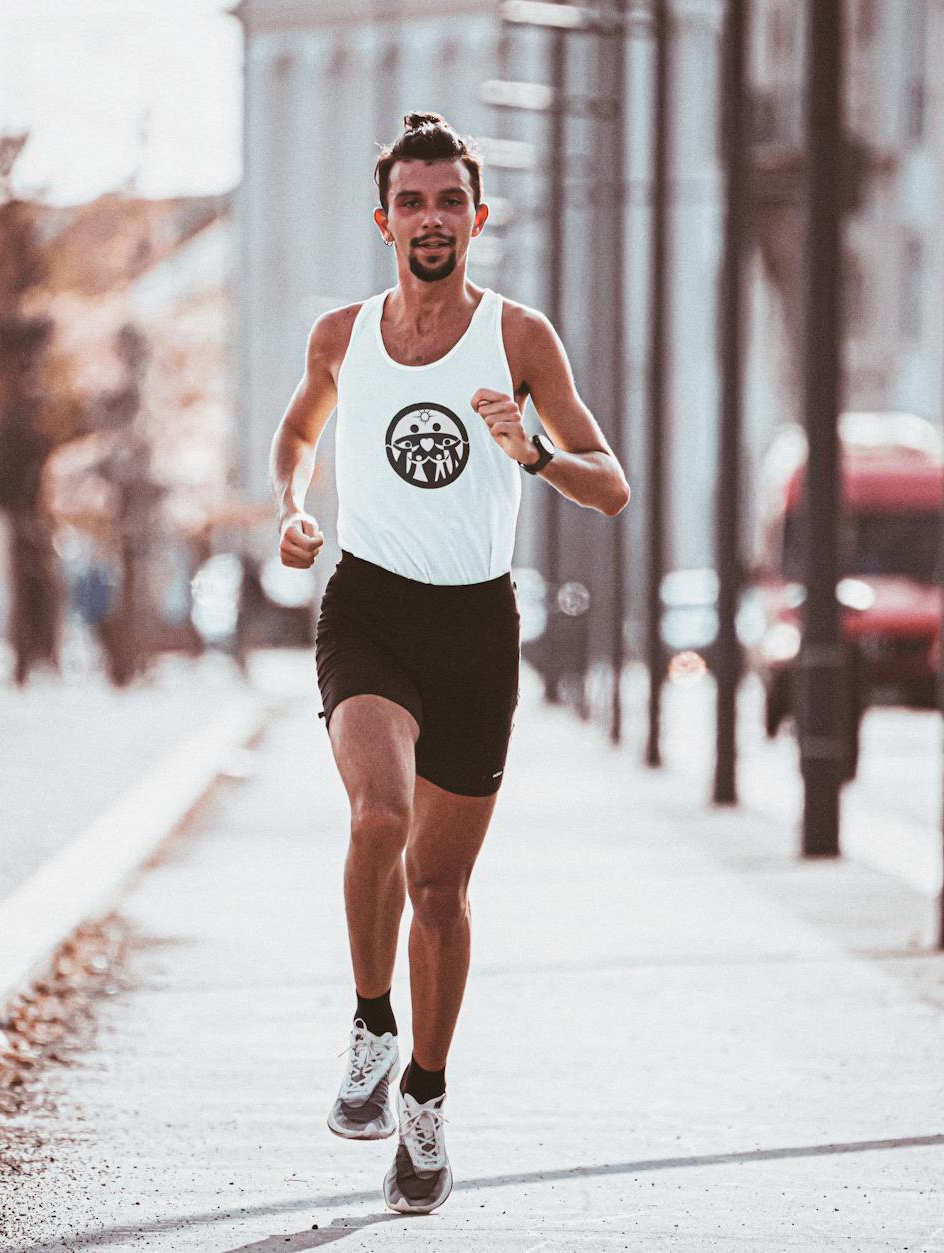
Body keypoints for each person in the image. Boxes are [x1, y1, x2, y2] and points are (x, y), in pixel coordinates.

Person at [269, 112, 630, 1215]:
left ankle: (424, 1097)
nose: (431, 220)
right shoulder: (340, 335)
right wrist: (292, 508)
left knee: (439, 884)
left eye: (449, 202)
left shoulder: (519, 339)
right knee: (376, 816)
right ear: (384, 220)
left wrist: (534, 451)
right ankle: (371, 1023)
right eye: (412, 202)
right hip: (369, 604)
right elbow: (298, 436)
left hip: (477, 625)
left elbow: (608, 482)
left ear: (478, 216)